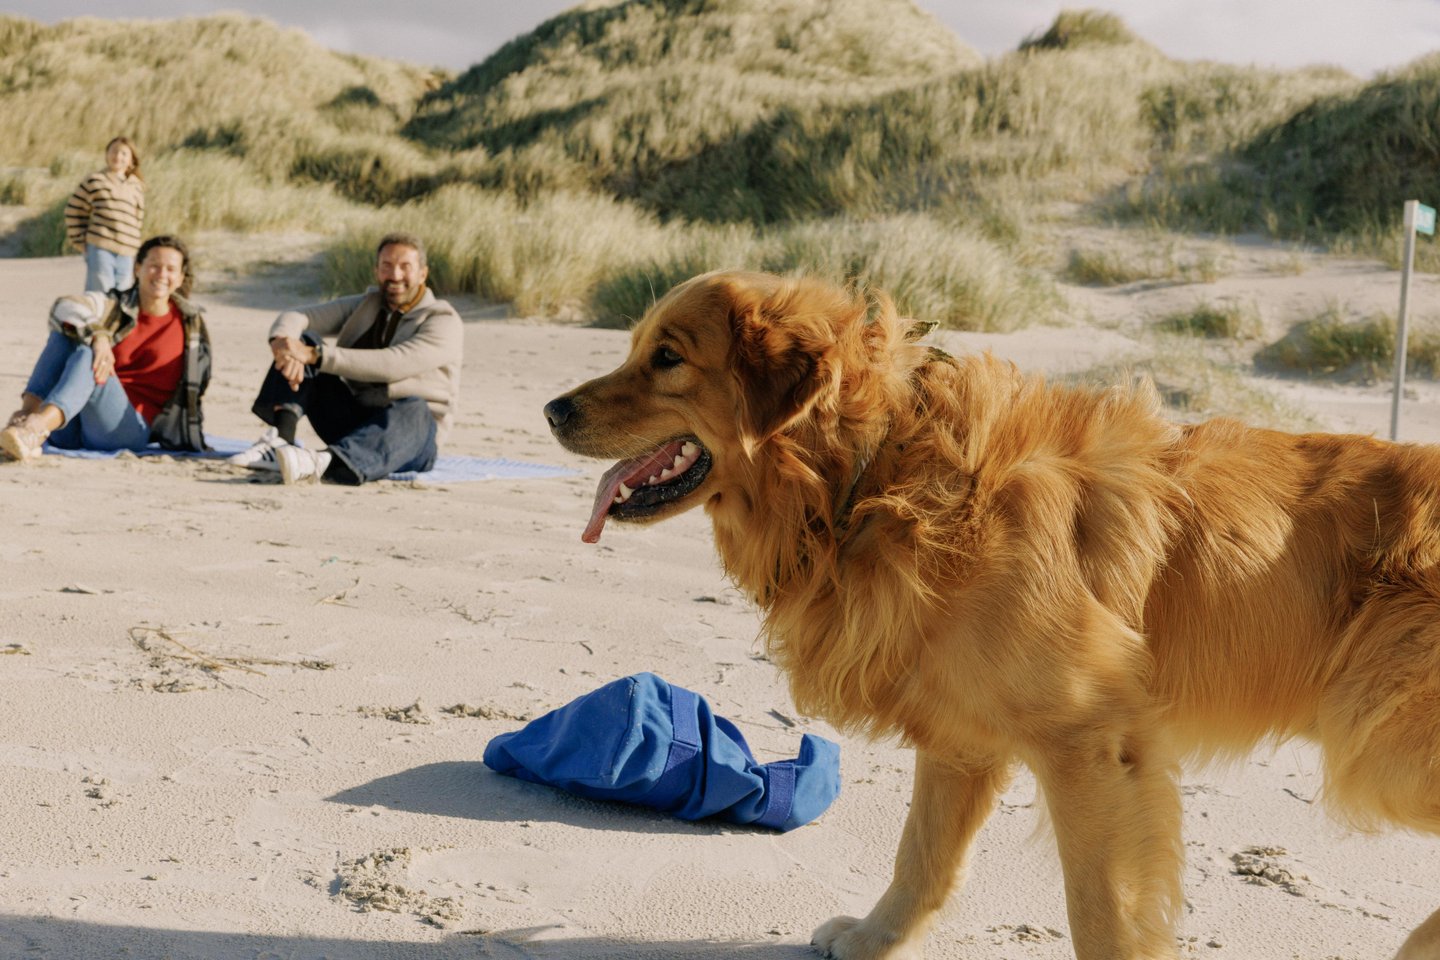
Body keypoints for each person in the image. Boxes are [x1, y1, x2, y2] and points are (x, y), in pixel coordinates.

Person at [228, 232, 462, 485]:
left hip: (411, 437)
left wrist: (316, 356)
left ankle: (324, 462)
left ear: (422, 274)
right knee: (304, 339)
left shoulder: (443, 320)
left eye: (405, 267)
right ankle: (280, 441)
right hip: (355, 420)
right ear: (376, 271)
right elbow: (297, 315)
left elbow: (393, 364)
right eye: (387, 266)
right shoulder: (366, 304)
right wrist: (282, 344)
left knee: (414, 408)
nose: (395, 275)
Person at [1, 235, 210, 462]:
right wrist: (100, 336)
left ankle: (35, 428)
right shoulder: (114, 305)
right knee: (66, 333)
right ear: (138, 268)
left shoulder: (191, 326)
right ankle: (28, 420)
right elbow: (64, 306)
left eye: (170, 269)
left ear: (180, 278)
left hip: (127, 428)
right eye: (154, 266)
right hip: (73, 423)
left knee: (88, 353)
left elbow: (199, 385)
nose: (161, 275)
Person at [65, 136, 146, 294]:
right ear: (107, 154)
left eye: (123, 153)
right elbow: (73, 210)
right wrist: (80, 241)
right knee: (100, 291)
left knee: (123, 293)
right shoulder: (95, 180)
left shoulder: (137, 186)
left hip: (128, 250)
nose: (118, 156)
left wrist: (135, 245)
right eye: (114, 151)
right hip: (101, 246)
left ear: (131, 160)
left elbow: (138, 219)